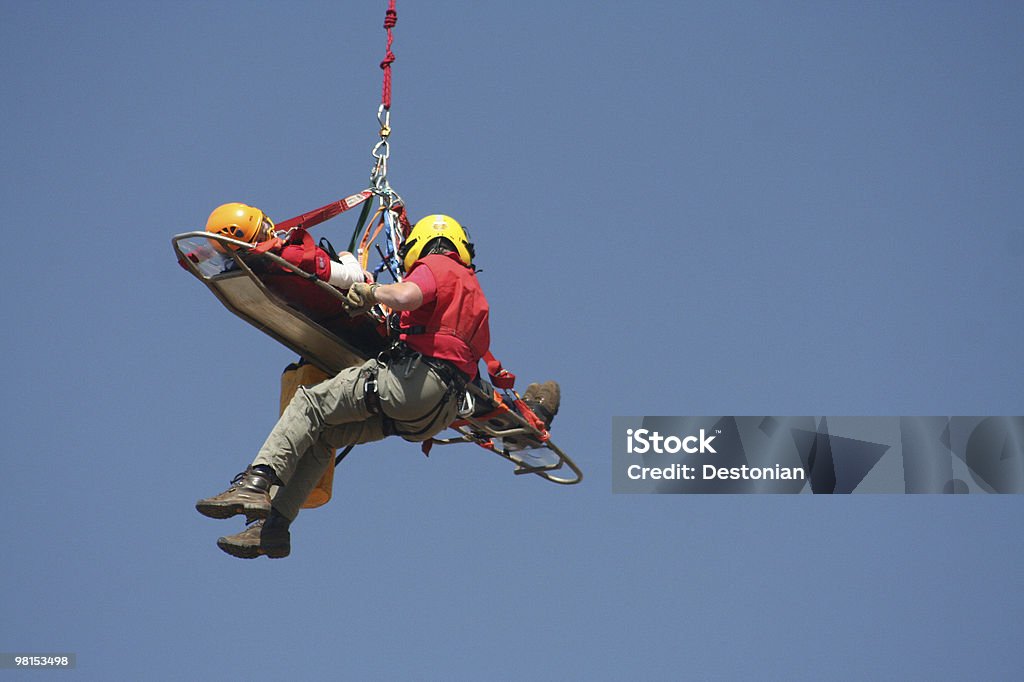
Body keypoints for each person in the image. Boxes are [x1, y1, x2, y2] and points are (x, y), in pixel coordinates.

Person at [195, 213, 560, 559]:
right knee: (324, 436)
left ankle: (257, 483)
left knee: (309, 404)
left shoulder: (438, 265)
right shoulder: (475, 296)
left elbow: (406, 297)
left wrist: (372, 295)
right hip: (435, 413)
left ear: (423, 243)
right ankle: (273, 529)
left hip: (414, 384)